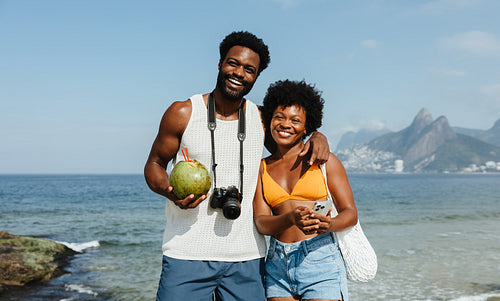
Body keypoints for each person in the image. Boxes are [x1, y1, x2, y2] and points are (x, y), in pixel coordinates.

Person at [144, 31, 331, 301]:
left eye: (249, 69)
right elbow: (154, 164)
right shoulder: (183, 112)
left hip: (247, 258)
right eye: (233, 63)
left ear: (256, 77)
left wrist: (318, 135)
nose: (239, 73)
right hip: (186, 253)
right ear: (220, 63)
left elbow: (293, 141)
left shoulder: (261, 118)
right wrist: (169, 192)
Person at [253, 80, 358, 301]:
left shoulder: (324, 162)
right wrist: (289, 218)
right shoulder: (261, 167)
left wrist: (330, 224)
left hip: (320, 259)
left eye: (295, 120)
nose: (285, 124)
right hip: (277, 265)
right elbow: (262, 222)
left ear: (306, 126)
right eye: (279, 117)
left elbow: (350, 213)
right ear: (270, 120)